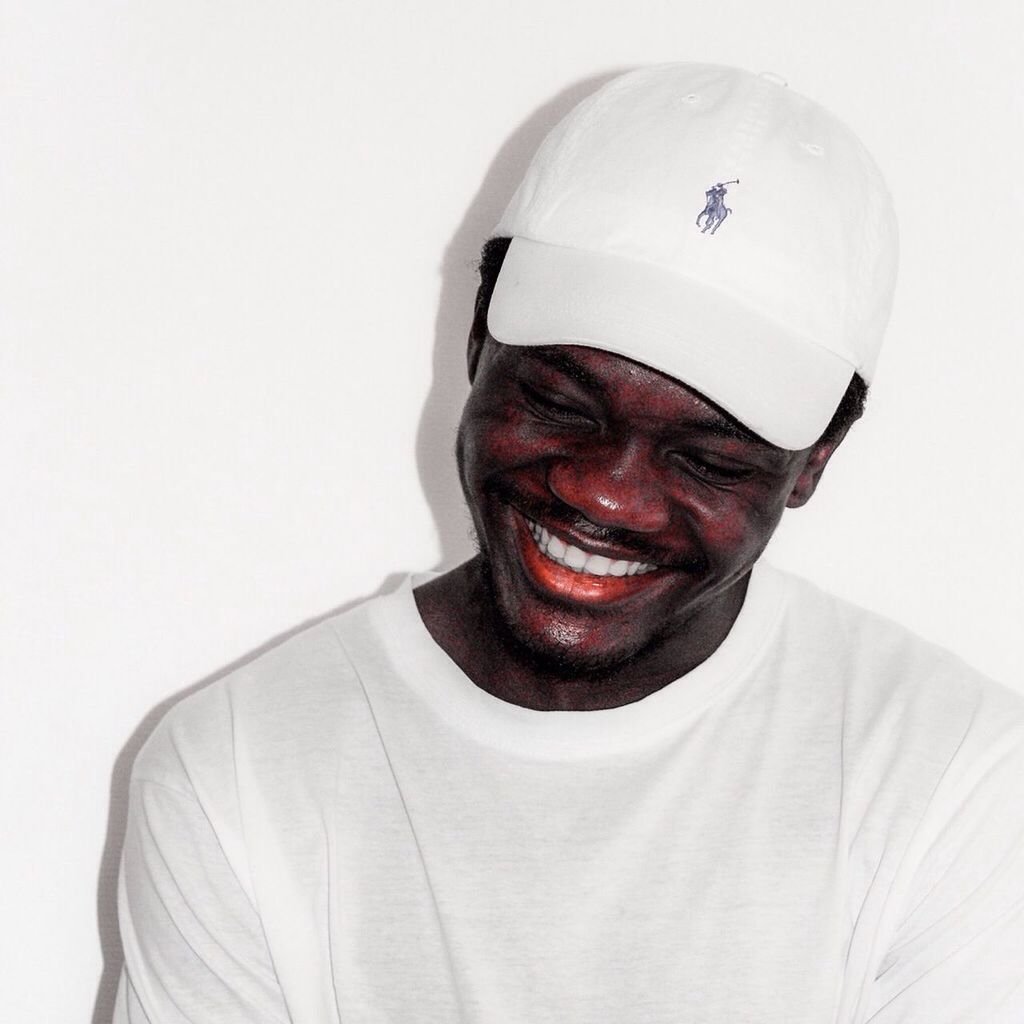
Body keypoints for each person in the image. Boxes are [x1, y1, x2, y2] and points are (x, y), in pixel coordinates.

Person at [113, 64, 1024, 1023]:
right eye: (557, 404)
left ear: (813, 464)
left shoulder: (952, 775)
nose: (608, 494)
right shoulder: (239, 771)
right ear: (477, 340)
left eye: (707, 458)